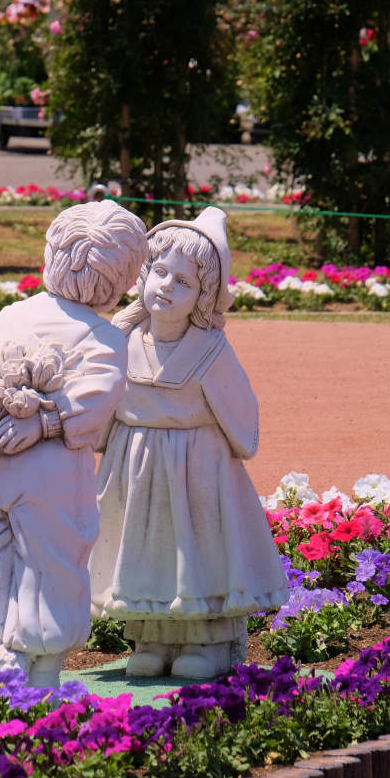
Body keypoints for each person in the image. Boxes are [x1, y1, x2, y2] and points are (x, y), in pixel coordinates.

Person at [0, 200, 149, 689]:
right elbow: (97, 397)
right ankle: (42, 669)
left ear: (53, 254)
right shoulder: (105, 336)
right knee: (50, 561)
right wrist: (47, 423)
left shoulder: (14, 314)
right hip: (52, 471)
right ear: (122, 278)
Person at [88, 207, 288, 679]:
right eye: (159, 272)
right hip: (135, 463)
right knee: (142, 548)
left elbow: (242, 417)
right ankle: (151, 638)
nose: (166, 286)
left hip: (196, 467)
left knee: (195, 550)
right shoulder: (120, 339)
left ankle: (207, 643)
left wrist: (231, 449)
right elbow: (99, 401)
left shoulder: (211, 350)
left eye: (183, 281)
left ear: (204, 296)